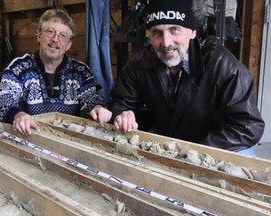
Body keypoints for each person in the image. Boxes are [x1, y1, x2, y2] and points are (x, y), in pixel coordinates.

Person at [108, 0, 265, 156]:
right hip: (168, 141)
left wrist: (196, 152)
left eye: (174, 29)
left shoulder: (224, 66)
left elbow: (249, 125)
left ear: (192, 32)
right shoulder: (138, 64)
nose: (166, 43)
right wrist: (123, 113)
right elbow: (121, 103)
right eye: (157, 32)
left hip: (216, 145)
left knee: (242, 164)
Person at [0, 9, 112, 136]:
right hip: (29, 137)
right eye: (50, 32)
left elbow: (90, 100)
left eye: (62, 35)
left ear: (68, 45)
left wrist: (97, 108)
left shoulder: (81, 72)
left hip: (69, 141)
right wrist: (18, 115)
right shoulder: (20, 67)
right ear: (39, 36)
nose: (55, 39)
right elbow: (2, 99)